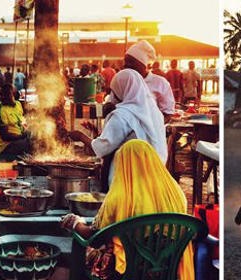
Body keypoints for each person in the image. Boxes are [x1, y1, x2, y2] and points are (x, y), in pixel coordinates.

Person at [60, 140, 194, 279]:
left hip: (127, 273)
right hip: (167, 271)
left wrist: (75, 223)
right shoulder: (176, 193)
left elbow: (95, 238)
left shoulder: (118, 197)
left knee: (82, 247)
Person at [73, 69, 167, 185]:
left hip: (128, 177)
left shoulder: (122, 115)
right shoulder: (154, 111)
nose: (112, 95)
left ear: (122, 89)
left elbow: (102, 148)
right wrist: (97, 132)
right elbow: (129, 137)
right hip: (153, 174)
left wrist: (80, 136)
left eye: (114, 90)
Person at [123, 40, 175, 122]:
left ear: (145, 65)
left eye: (132, 63)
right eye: (126, 62)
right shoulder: (122, 82)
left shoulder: (160, 83)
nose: (126, 66)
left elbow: (167, 113)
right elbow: (112, 105)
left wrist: (150, 127)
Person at [0, 84, 29, 160]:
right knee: (34, 143)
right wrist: (23, 136)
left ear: (14, 95)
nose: (4, 97)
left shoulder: (18, 104)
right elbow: (5, 136)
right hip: (8, 146)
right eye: (3, 95)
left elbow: (23, 121)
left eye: (8, 95)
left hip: (21, 139)